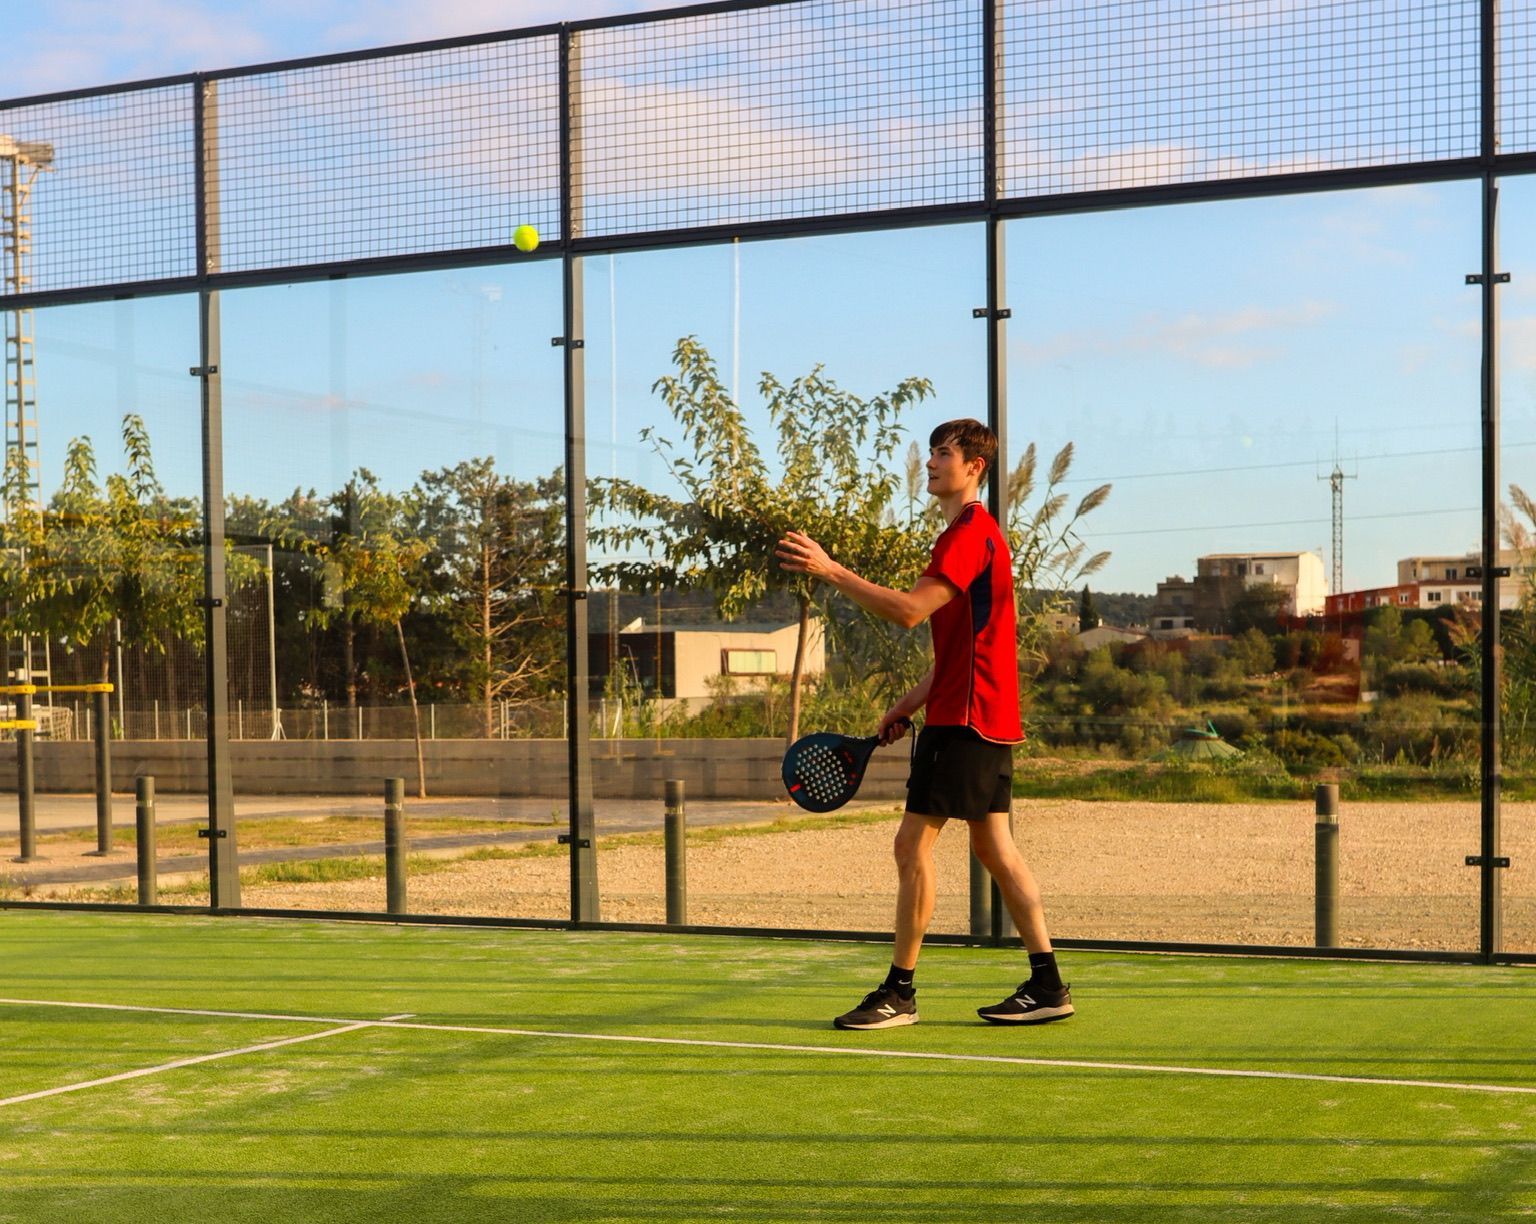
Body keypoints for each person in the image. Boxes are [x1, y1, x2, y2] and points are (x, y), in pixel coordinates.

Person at [775, 418, 1072, 1030]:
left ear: (974, 468)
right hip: (980, 715)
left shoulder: (969, 535)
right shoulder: (974, 535)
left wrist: (831, 570)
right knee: (995, 846)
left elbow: (910, 612)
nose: (932, 462)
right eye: (933, 452)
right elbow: (964, 652)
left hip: (965, 722)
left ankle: (899, 993)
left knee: (912, 845)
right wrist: (910, 704)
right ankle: (1048, 985)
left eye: (944, 453)